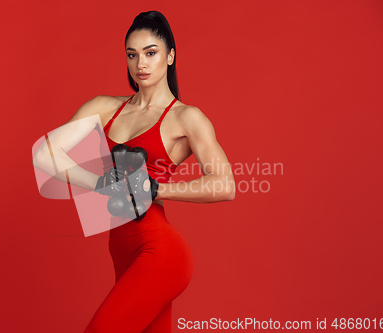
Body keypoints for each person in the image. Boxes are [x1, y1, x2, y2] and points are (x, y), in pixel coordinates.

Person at [34, 10, 235, 333]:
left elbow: (225, 185)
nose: (140, 63)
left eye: (151, 53)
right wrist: (102, 183)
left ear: (170, 56)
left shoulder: (186, 118)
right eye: (132, 54)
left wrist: (153, 189)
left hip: (160, 250)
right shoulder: (104, 107)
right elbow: (46, 155)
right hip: (122, 249)